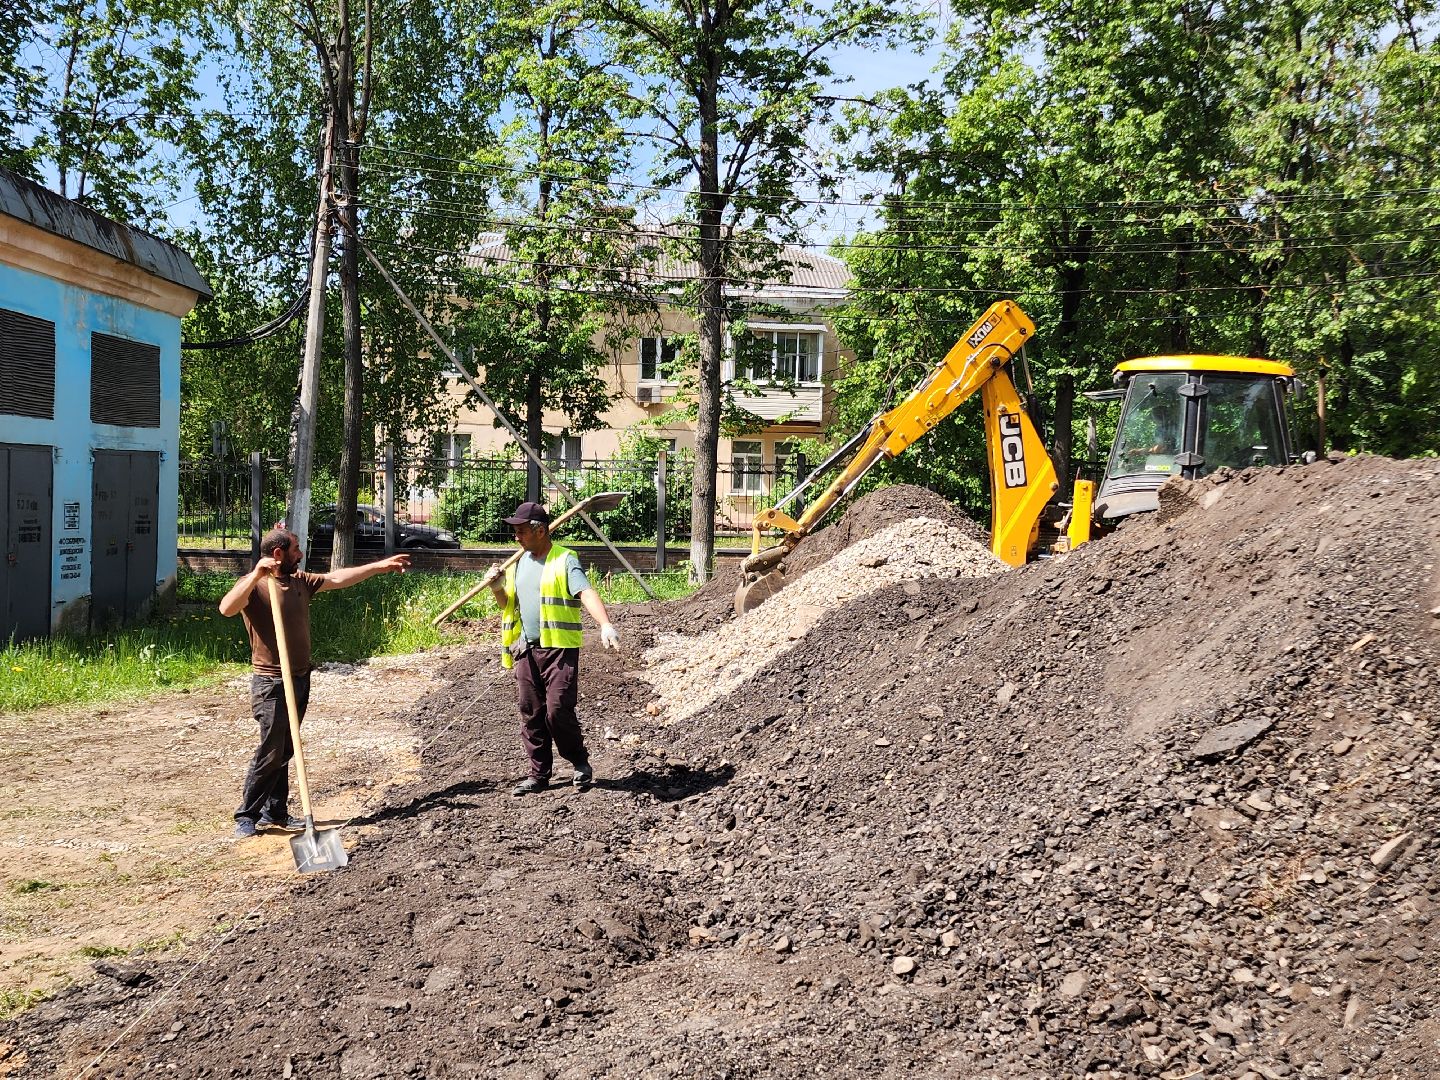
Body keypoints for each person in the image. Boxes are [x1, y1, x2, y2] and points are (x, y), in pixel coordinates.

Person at [218, 527, 411, 838]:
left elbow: (337, 578)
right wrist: (255, 575)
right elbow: (226, 608)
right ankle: (247, 815)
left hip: (300, 676)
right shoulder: (255, 586)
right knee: (271, 748)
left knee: (286, 748)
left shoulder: (300, 582)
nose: (301, 553)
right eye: (295, 549)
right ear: (277, 553)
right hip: (271, 682)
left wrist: (378, 566)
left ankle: (275, 811)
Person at [486, 500, 620, 796]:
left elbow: (585, 592)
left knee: (557, 710)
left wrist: (605, 624)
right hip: (527, 649)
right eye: (515, 532)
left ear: (540, 531)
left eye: (521, 531)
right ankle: (538, 774)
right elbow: (511, 606)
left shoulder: (565, 560)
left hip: (559, 649)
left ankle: (579, 762)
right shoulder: (520, 563)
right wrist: (498, 588)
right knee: (531, 712)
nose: (516, 537)